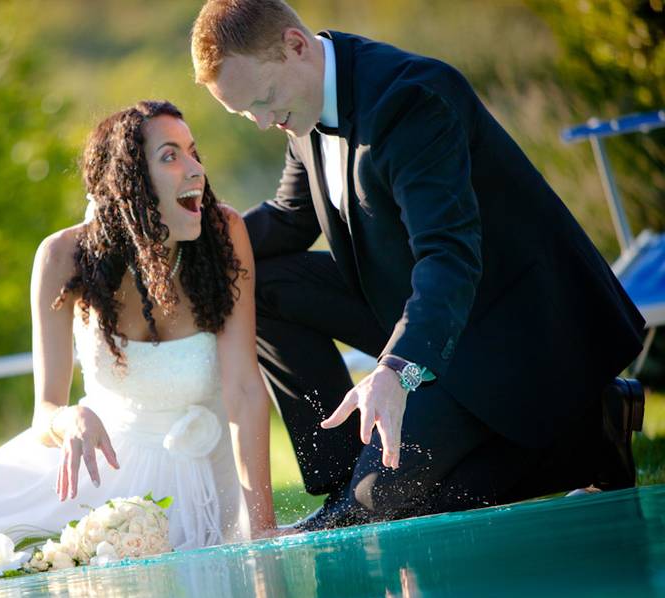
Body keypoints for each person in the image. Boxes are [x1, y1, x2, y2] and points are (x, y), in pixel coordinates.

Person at [189, 0, 646, 530]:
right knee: (255, 279)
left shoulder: (411, 99)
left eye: (264, 101)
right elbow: (291, 218)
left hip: (501, 325)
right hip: (415, 310)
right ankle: (343, 475)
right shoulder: (300, 99)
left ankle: (591, 431)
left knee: (380, 512)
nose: (264, 122)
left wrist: (397, 369)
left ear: (295, 46)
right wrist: (187, 257)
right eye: (246, 112)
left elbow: (448, 255)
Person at [0, 100, 276, 593]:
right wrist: (70, 418)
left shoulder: (224, 233)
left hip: (208, 473)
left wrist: (259, 528)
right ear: (129, 178)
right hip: (101, 464)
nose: (196, 169)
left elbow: (244, 388)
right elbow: (45, 410)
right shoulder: (63, 256)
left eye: (194, 152)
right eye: (171, 156)